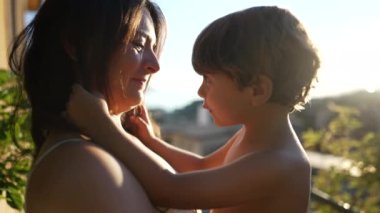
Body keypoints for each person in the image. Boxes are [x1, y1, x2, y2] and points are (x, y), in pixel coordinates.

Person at [68, 6, 320, 213]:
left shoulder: (280, 163)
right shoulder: (254, 135)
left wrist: (102, 125)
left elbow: (171, 190)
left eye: (208, 80)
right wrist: (151, 141)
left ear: (256, 90)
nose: (200, 92)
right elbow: (202, 167)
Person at [8, 0, 190, 212]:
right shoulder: (82, 164)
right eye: (138, 45)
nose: (155, 66)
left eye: (154, 48)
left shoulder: (102, 151)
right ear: (76, 43)